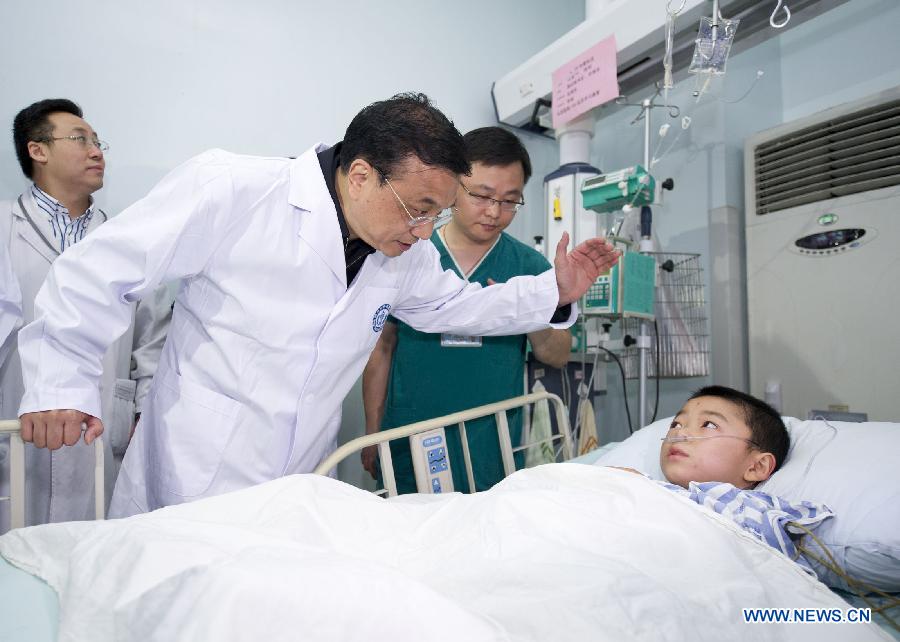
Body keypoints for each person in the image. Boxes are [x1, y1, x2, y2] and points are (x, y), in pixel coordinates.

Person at [16, 93, 620, 518]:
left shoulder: (404, 252)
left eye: (437, 213)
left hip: (298, 481)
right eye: (417, 209)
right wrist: (59, 387)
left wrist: (554, 292)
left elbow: (458, 306)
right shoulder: (235, 190)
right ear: (360, 175)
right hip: (193, 470)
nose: (425, 230)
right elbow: (98, 271)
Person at [361, 126, 571, 493]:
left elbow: (559, 355)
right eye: (482, 195)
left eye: (510, 201)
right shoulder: (408, 252)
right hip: (412, 431)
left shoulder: (529, 266)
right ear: (455, 186)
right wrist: (373, 429)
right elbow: (381, 347)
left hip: (493, 438)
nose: (494, 212)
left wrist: (527, 314)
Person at [0, 98, 170, 530]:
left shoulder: (127, 241)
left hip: (99, 437)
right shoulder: (4, 228)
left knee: (91, 565)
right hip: (16, 427)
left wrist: (141, 417)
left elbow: (151, 342)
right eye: (80, 139)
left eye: (98, 142)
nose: (96, 151)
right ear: (37, 150)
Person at [659, 385, 790, 488]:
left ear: (756, 467)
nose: (679, 433)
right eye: (676, 425)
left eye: (709, 425)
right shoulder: (649, 491)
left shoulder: (757, 515)